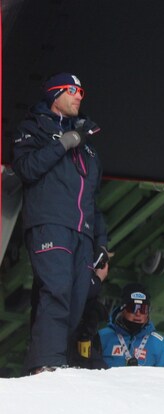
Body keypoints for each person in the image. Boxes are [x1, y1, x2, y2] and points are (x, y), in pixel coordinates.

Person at [12, 72, 109, 374]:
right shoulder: (34, 128)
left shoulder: (88, 145)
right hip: (49, 223)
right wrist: (63, 143)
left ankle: (47, 362)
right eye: (72, 90)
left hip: (82, 231)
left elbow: (93, 199)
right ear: (54, 94)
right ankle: (47, 364)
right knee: (57, 290)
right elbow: (27, 168)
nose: (80, 95)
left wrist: (102, 244)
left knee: (78, 298)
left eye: (82, 91)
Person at [98, 283, 164, 367]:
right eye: (133, 308)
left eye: (143, 309)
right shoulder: (102, 336)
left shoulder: (160, 343)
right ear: (123, 309)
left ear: (148, 312)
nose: (138, 313)